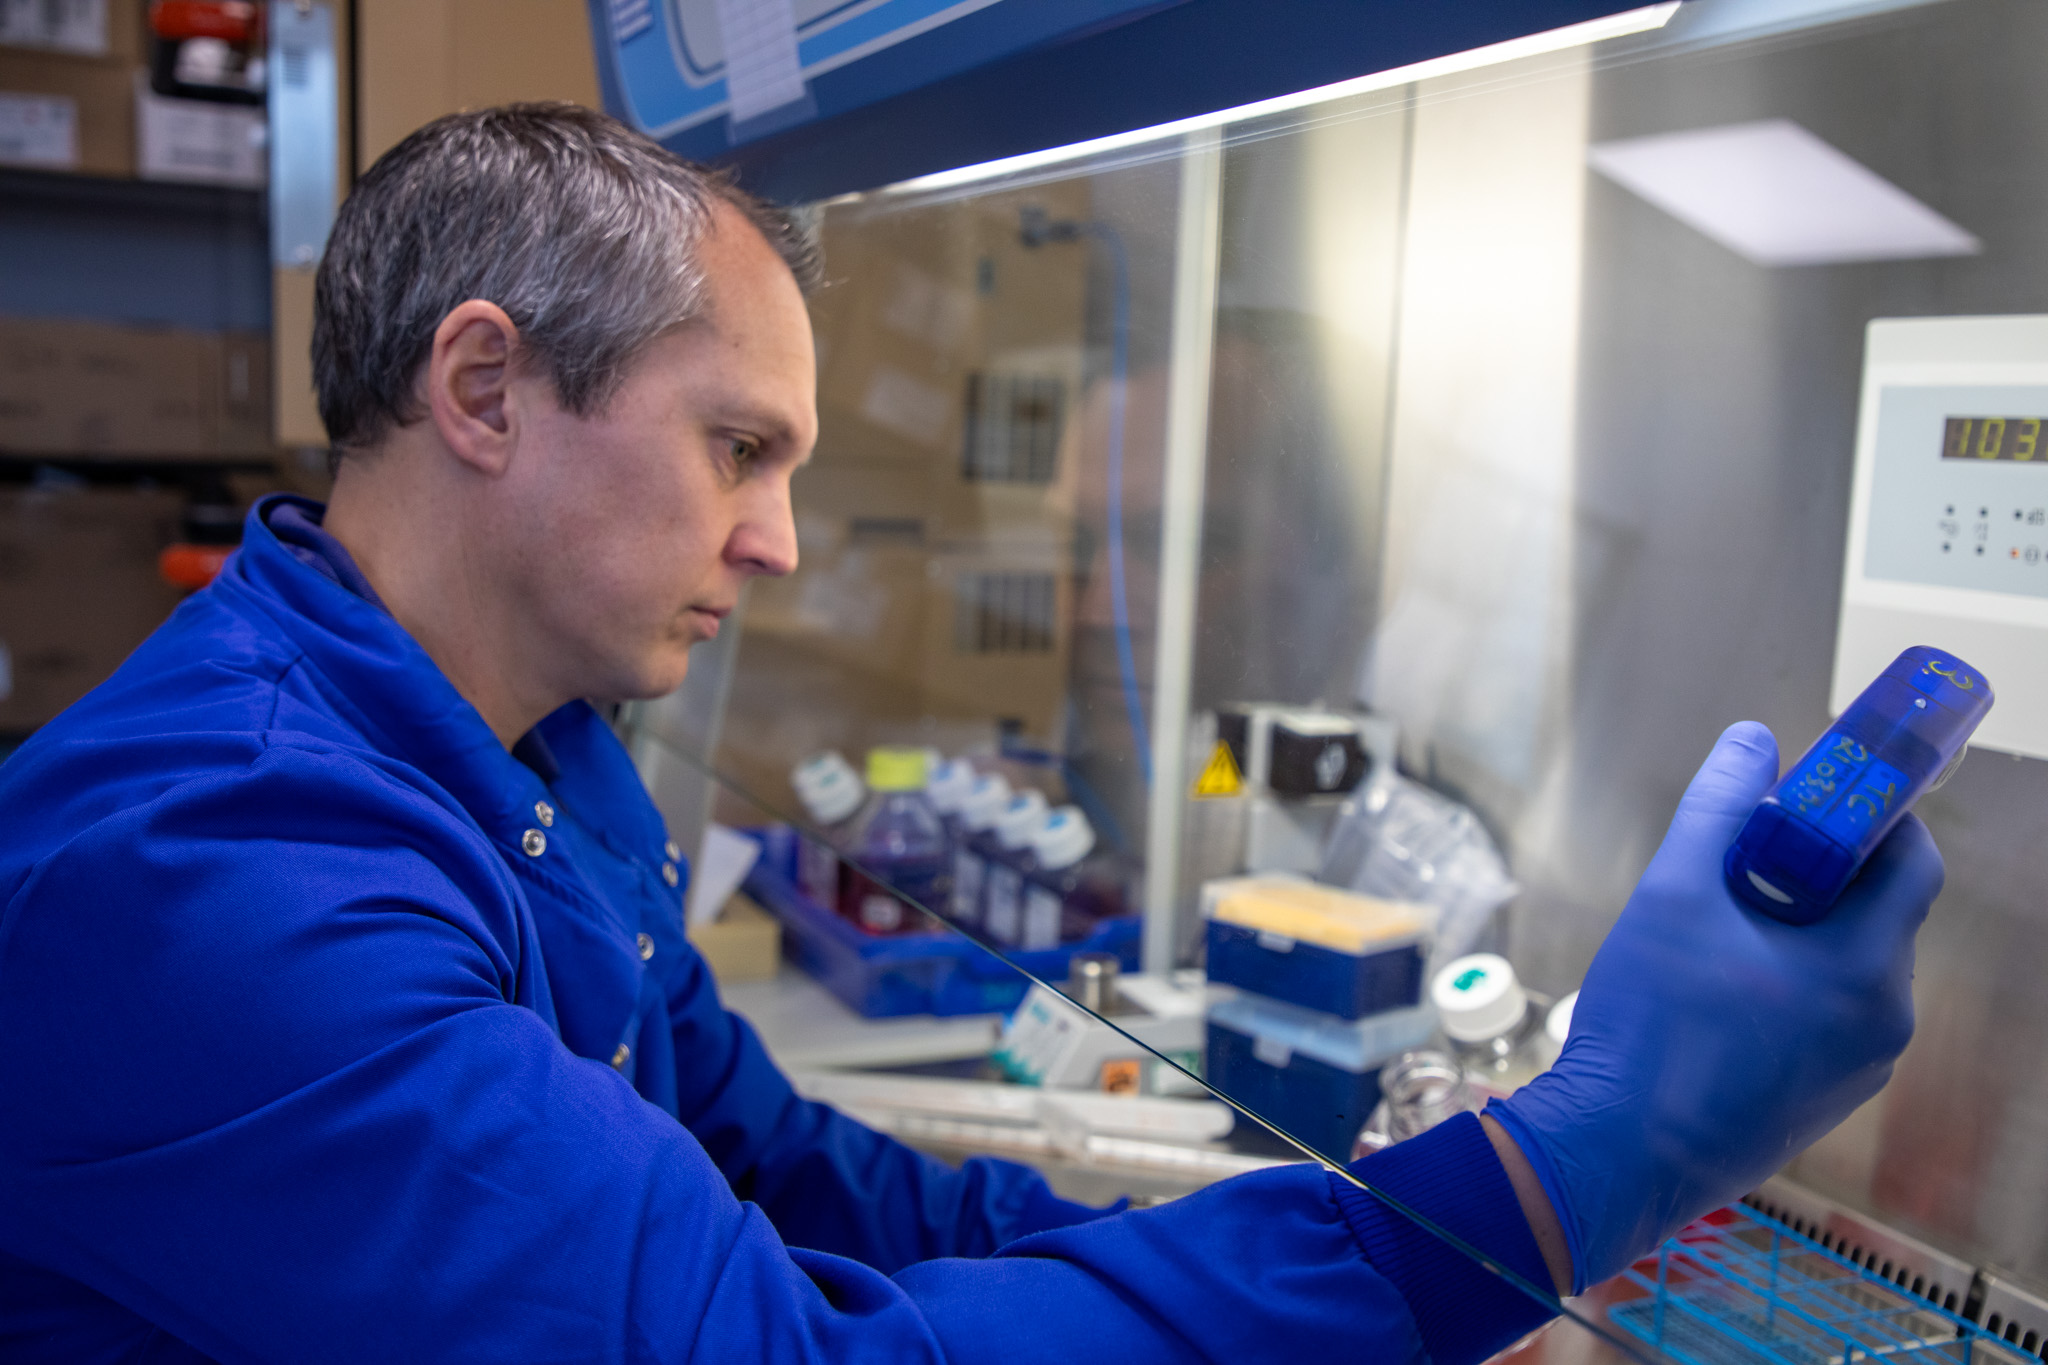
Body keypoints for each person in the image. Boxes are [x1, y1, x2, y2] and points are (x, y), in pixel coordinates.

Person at [0, 103, 1942, 1364]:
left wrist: (1354, 1256)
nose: (772, 539)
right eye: (737, 447)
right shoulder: (221, 872)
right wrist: (1547, 1174)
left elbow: (781, 1166)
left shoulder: (530, 760)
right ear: (488, 387)